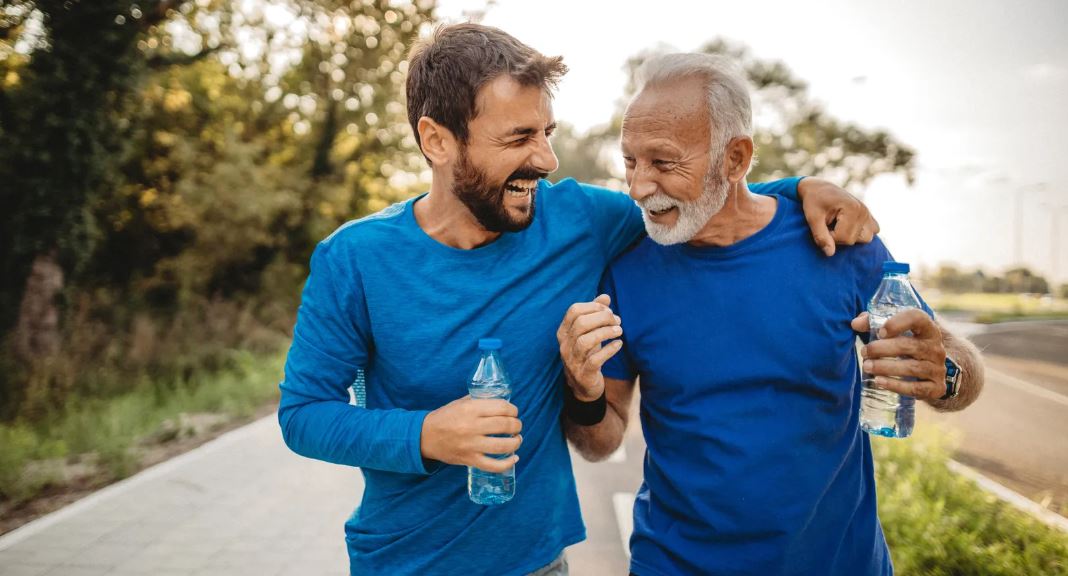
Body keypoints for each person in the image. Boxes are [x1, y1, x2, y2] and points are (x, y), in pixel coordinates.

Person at [278, 24, 880, 576]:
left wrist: (801, 190)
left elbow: (704, 200)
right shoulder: (354, 259)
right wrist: (426, 435)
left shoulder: (581, 221)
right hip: (405, 562)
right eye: (519, 137)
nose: (544, 159)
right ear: (437, 141)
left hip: (541, 562)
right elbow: (303, 415)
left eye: (546, 133)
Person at [557, 53, 985, 576]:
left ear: (735, 159)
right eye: (631, 161)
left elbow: (961, 370)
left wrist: (945, 372)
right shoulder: (627, 270)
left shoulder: (839, 242)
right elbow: (602, 443)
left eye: (664, 163)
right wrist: (583, 392)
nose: (640, 186)